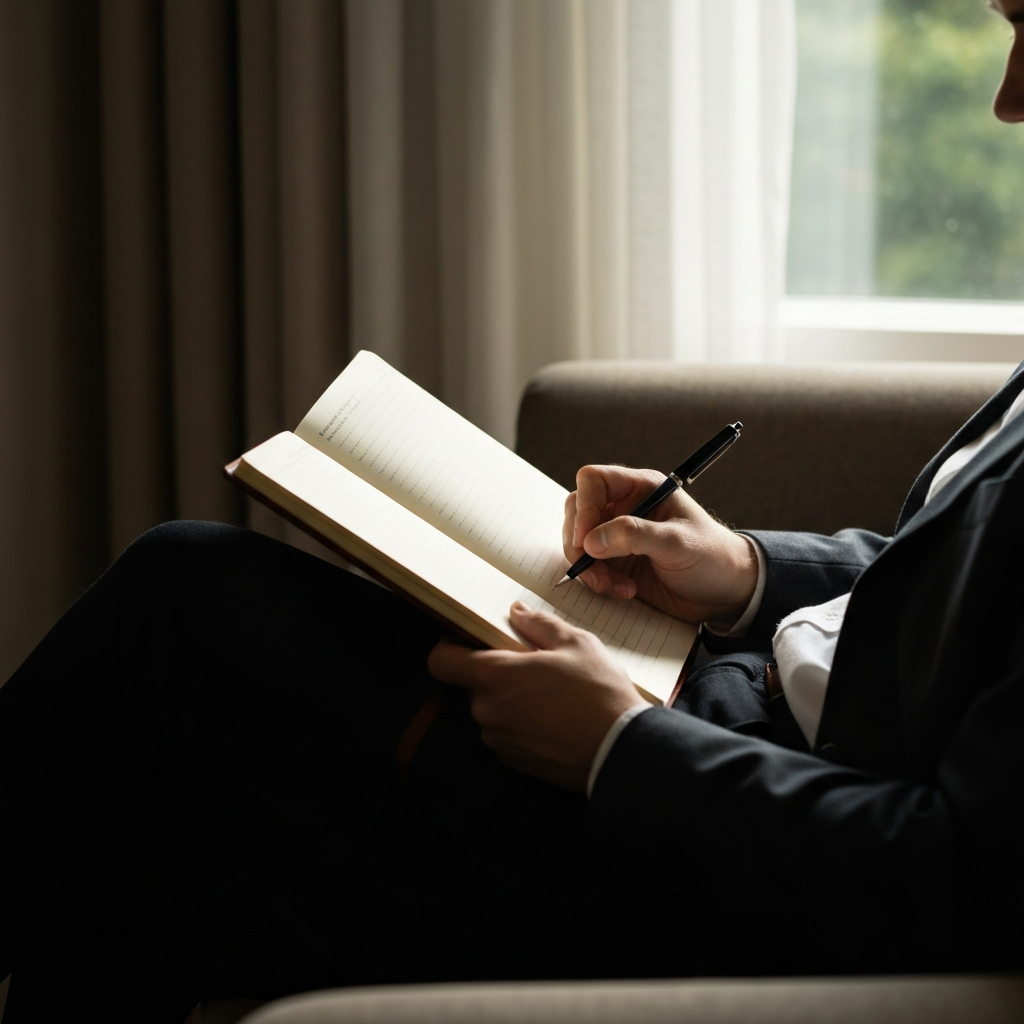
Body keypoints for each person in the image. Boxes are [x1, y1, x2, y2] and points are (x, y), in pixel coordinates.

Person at [2, 3, 1023, 1020]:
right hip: (726, 717)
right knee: (150, 825)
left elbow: (958, 883)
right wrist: (747, 572)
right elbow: (953, 585)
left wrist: (623, 748)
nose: (1005, 98)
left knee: (180, 609)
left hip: (728, 841)